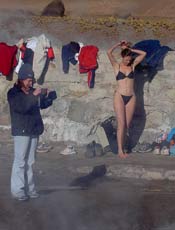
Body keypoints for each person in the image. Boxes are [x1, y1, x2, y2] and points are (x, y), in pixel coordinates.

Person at [7, 63, 55, 201]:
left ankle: (30, 188)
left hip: (33, 129)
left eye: (32, 79)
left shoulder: (31, 91)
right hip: (21, 130)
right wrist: (34, 95)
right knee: (20, 161)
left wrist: (50, 96)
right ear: (21, 79)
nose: (31, 82)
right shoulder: (13, 93)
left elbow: (41, 104)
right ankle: (18, 190)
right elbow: (22, 107)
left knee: (31, 161)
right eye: (29, 79)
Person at [107, 41, 146, 159]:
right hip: (119, 96)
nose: (128, 61)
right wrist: (118, 44)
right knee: (121, 124)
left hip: (131, 97)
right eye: (126, 59)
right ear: (122, 56)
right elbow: (108, 52)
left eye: (130, 59)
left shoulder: (133, 66)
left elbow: (144, 54)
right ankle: (120, 150)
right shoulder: (116, 66)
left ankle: (122, 147)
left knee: (127, 125)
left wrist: (131, 50)